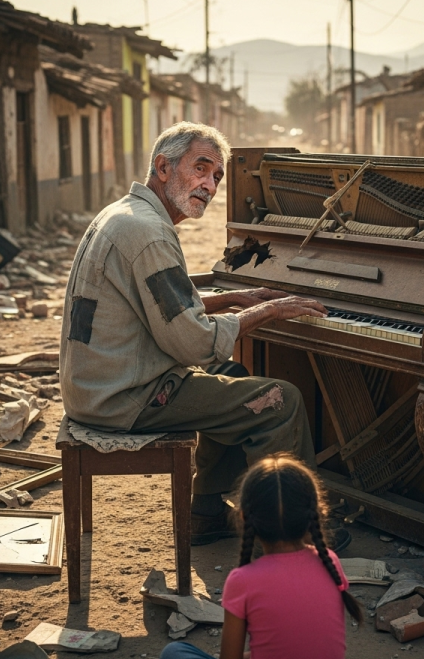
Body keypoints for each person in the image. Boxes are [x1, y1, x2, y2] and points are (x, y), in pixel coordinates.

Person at [59, 122, 328, 545]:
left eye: (218, 176)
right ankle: (288, 537)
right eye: (200, 169)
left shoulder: (127, 214)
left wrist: (240, 297)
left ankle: (204, 512)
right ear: (163, 168)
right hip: (124, 398)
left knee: (233, 376)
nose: (210, 185)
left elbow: (158, 309)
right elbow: (193, 342)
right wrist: (269, 309)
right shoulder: (149, 233)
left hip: (97, 385)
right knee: (281, 401)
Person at [143, 455, 363, 659]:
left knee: (173, 654)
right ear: (315, 512)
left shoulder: (243, 580)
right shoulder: (329, 559)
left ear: (245, 517)